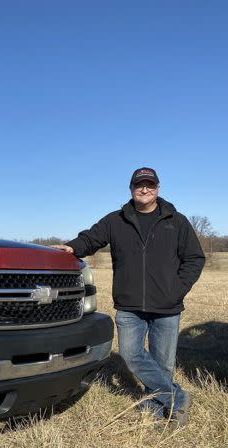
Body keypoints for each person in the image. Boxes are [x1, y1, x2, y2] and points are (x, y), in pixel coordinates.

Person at [52, 167, 205, 426]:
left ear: (157, 188)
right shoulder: (116, 220)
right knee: (131, 354)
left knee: (162, 364)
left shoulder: (176, 221)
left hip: (167, 306)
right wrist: (72, 247)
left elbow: (194, 258)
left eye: (150, 184)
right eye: (139, 185)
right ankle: (177, 398)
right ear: (131, 188)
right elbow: (91, 238)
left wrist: (177, 288)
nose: (144, 189)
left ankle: (155, 410)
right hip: (129, 306)